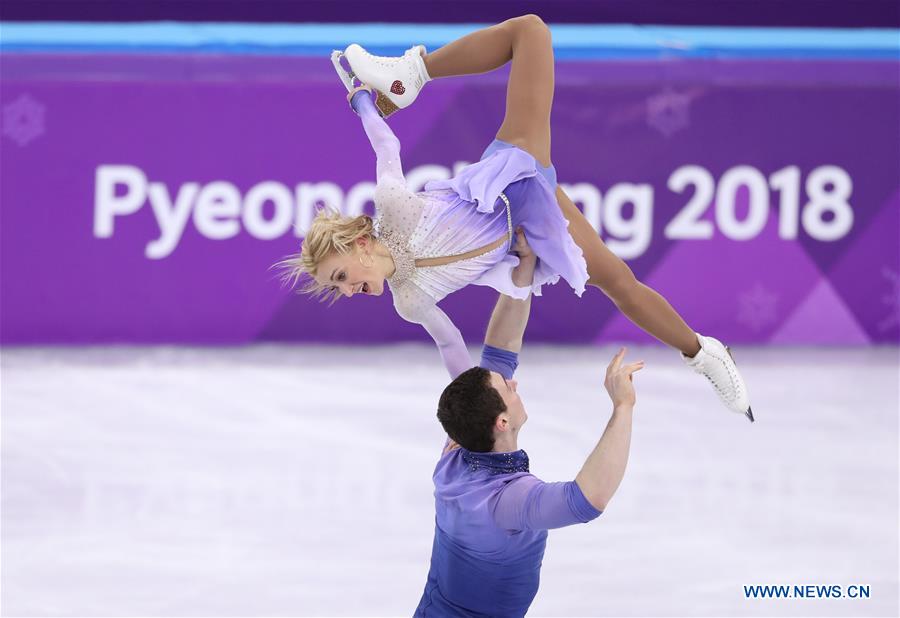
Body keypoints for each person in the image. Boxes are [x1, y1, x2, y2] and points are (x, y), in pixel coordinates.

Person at [277, 14, 752, 421]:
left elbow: (387, 146)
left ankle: (411, 73)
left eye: (339, 275)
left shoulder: (394, 210)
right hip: (528, 231)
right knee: (617, 280)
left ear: (359, 245)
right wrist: (470, 414)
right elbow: (450, 348)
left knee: (529, 31)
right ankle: (702, 351)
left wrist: (363, 100)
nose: (345, 290)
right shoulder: (409, 302)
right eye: (334, 287)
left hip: (510, 177)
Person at [414, 234, 641, 616]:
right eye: (508, 389)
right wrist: (623, 407)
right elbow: (587, 499)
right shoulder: (508, 501)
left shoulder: (454, 456)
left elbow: (500, 352)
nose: (513, 382)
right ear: (502, 421)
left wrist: (524, 269)